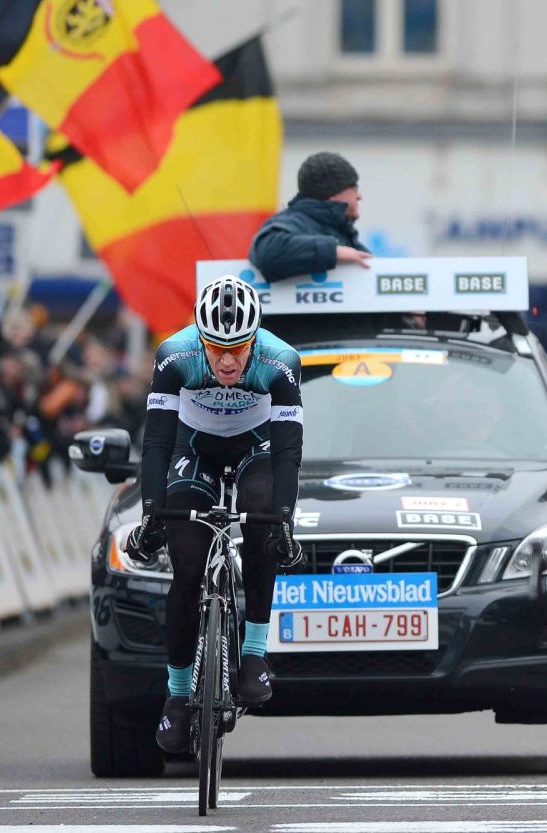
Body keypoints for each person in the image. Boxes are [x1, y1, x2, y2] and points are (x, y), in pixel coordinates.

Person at [124, 274, 306, 754]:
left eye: (238, 349)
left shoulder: (281, 361)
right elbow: (156, 442)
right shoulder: (174, 355)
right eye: (216, 348)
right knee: (186, 566)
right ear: (200, 338)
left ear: (255, 339)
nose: (226, 361)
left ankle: (254, 654)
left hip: (256, 448)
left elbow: (288, 454)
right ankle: (177, 695)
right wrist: (151, 515)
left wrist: (285, 521)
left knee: (263, 518)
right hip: (193, 448)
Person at [248, 151, 372, 280]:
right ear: (335, 194)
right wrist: (334, 251)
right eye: (354, 189)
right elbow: (268, 251)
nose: (359, 196)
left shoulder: (338, 230)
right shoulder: (292, 223)